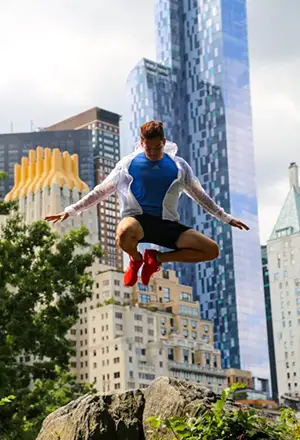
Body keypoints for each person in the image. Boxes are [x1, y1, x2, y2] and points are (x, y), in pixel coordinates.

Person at [45, 121, 249, 287]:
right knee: (124, 232)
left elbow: (200, 195)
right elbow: (102, 190)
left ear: (164, 142)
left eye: (157, 147)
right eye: (148, 148)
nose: (152, 152)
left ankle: (156, 259)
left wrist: (226, 218)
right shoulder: (128, 163)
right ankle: (136, 259)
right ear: (142, 143)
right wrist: (71, 210)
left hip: (167, 224)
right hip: (138, 221)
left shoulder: (178, 166)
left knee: (211, 250)